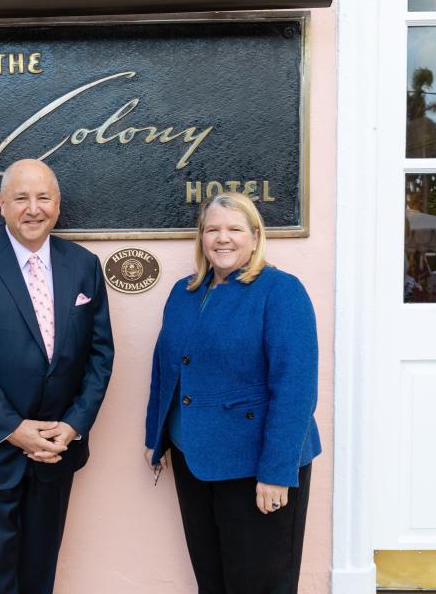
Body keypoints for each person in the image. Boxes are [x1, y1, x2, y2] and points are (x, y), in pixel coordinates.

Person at [0, 158, 114, 594]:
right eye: (21, 198)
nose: (32, 208)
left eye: (43, 198)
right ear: (1, 204)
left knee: (40, 575)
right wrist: (13, 428)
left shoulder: (84, 265)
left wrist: (73, 425)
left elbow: (100, 353)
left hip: (55, 450)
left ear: (57, 204)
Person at [144, 191, 320, 594]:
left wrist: (277, 473)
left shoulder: (281, 291)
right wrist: (155, 438)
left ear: (255, 237)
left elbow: (295, 389)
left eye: (235, 229)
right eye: (213, 230)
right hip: (193, 461)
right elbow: (165, 369)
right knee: (213, 580)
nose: (223, 238)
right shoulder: (183, 292)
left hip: (255, 467)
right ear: (201, 238)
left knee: (259, 584)